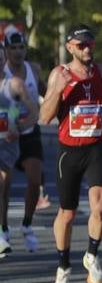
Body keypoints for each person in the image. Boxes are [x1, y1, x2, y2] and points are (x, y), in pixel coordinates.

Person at [39, 25, 102, 283]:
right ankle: (62, 268)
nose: (86, 50)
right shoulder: (60, 74)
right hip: (69, 151)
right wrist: (58, 91)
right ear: (70, 47)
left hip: (96, 147)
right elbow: (45, 117)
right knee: (68, 213)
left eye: (90, 45)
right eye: (81, 45)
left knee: (99, 205)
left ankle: (92, 254)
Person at [2, 30, 45, 252]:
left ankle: (27, 223)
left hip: (28, 132)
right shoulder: (3, 73)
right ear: (6, 51)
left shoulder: (34, 70)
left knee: (34, 178)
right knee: (4, 184)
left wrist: (24, 124)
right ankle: (3, 228)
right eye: (13, 48)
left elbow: (45, 97)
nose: (18, 52)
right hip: (5, 138)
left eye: (21, 48)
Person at [0, 63, 38, 254]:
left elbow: (33, 111)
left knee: (5, 187)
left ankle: (11, 227)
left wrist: (18, 127)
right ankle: (1, 233)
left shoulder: (14, 84)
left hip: (8, 143)